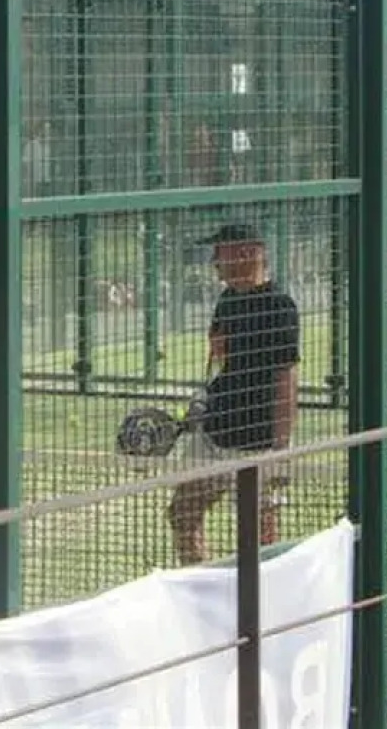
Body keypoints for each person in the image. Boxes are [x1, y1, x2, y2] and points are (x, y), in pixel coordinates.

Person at [168, 222, 301, 566]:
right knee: (184, 511)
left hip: (257, 439)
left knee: (260, 530)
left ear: (248, 253)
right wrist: (202, 401)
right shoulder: (226, 301)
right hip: (215, 431)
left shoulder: (279, 307)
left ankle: (264, 595)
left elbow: (286, 377)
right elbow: (219, 361)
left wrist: (281, 446)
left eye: (221, 252)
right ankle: (199, 585)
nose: (214, 261)